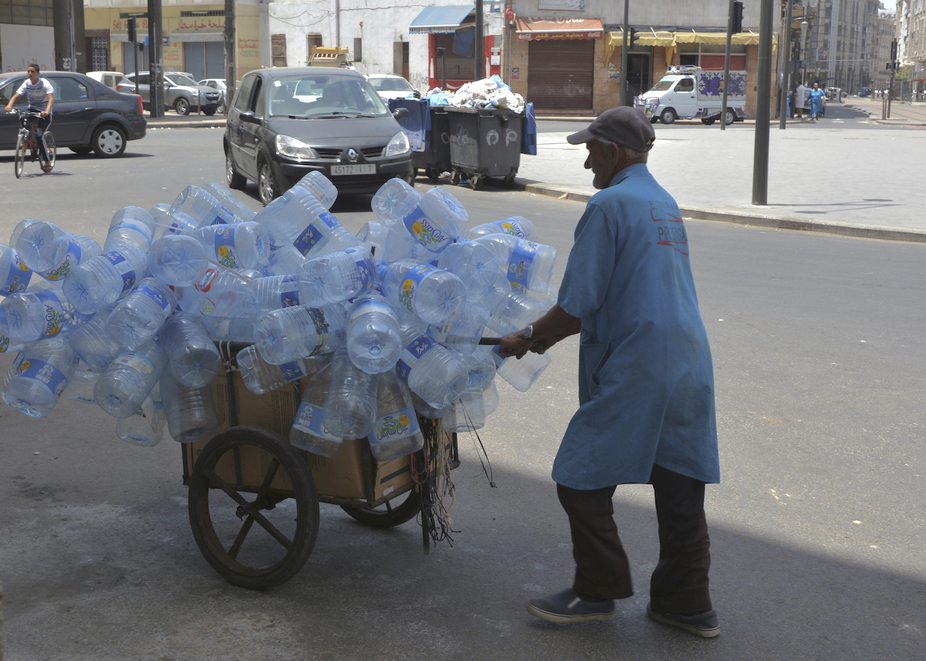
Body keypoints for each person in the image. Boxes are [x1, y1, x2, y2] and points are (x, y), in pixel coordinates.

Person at [498, 106, 721, 638]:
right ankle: (687, 604)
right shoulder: (661, 202)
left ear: (614, 152)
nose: (585, 163)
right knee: (679, 480)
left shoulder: (608, 204)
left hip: (640, 360)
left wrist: (527, 337)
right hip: (688, 358)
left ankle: (597, 590)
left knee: (579, 473)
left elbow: (578, 303)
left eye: (590, 150)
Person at [4, 63, 55, 172]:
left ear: (38, 73)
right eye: (28, 71)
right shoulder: (26, 83)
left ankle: (47, 161)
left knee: (39, 136)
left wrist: (46, 111)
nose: (30, 74)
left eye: (32, 71)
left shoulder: (44, 83)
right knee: (22, 116)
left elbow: (51, 99)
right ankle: (24, 136)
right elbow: (16, 95)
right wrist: (9, 105)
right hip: (32, 109)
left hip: (44, 112)